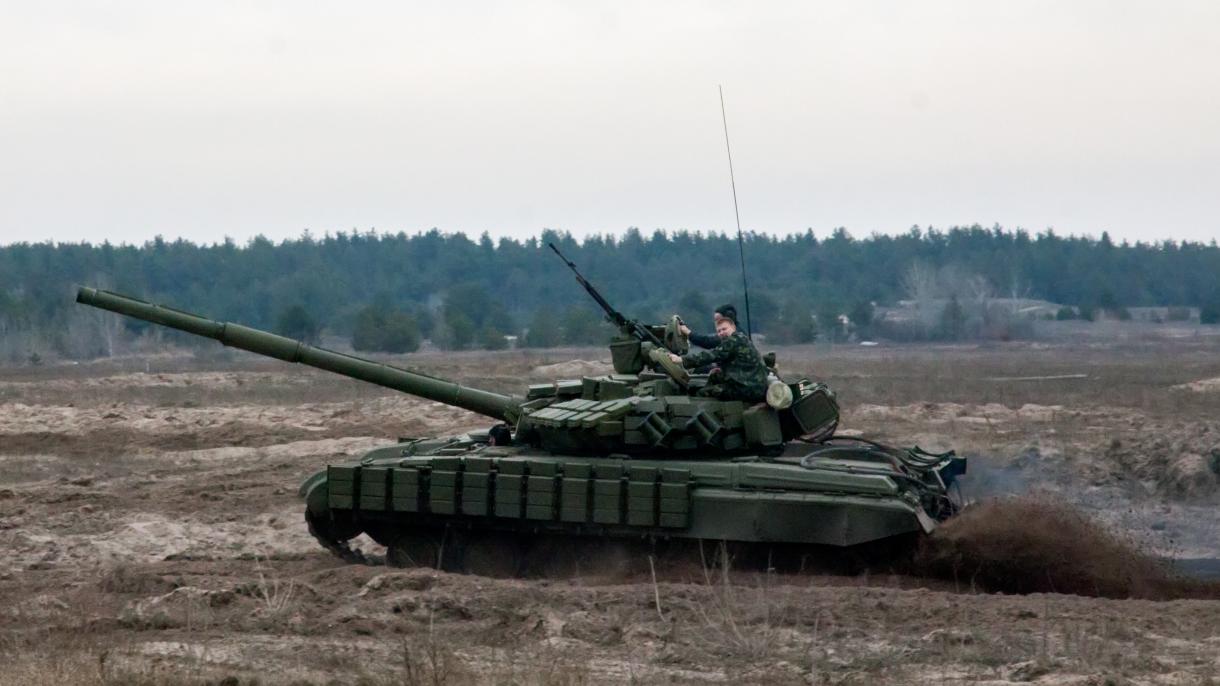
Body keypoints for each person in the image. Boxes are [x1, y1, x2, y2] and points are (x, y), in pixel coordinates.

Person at [668, 307, 768, 403]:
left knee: (702, 393)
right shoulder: (740, 338)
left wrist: (681, 360)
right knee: (715, 375)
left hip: (748, 389)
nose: (721, 333)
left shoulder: (734, 340)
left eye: (724, 329)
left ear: (733, 328)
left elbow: (711, 355)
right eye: (719, 331)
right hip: (752, 384)